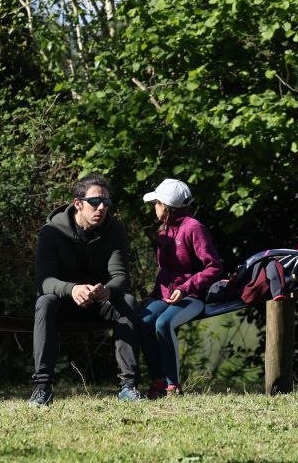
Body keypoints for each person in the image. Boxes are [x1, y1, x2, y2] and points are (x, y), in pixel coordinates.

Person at [29, 173, 143, 407]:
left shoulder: (115, 230)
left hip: (99, 302)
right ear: (78, 203)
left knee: (128, 301)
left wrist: (107, 290)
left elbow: (121, 277)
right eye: (95, 202)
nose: (101, 207)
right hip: (64, 302)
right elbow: (43, 281)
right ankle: (42, 389)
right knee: (45, 301)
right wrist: (71, 289)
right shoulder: (51, 232)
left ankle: (129, 387)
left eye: (107, 203)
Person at [138, 178, 223, 398]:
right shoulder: (163, 231)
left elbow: (214, 267)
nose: (154, 208)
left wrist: (185, 289)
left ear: (164, 206)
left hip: (193, 296)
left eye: (155, 203)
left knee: (163, 323)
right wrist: (152, 296)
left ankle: (173, 386)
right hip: (166, 296)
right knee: (144, 321)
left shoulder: (194, 228)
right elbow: (165, 272)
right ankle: (157, 381)